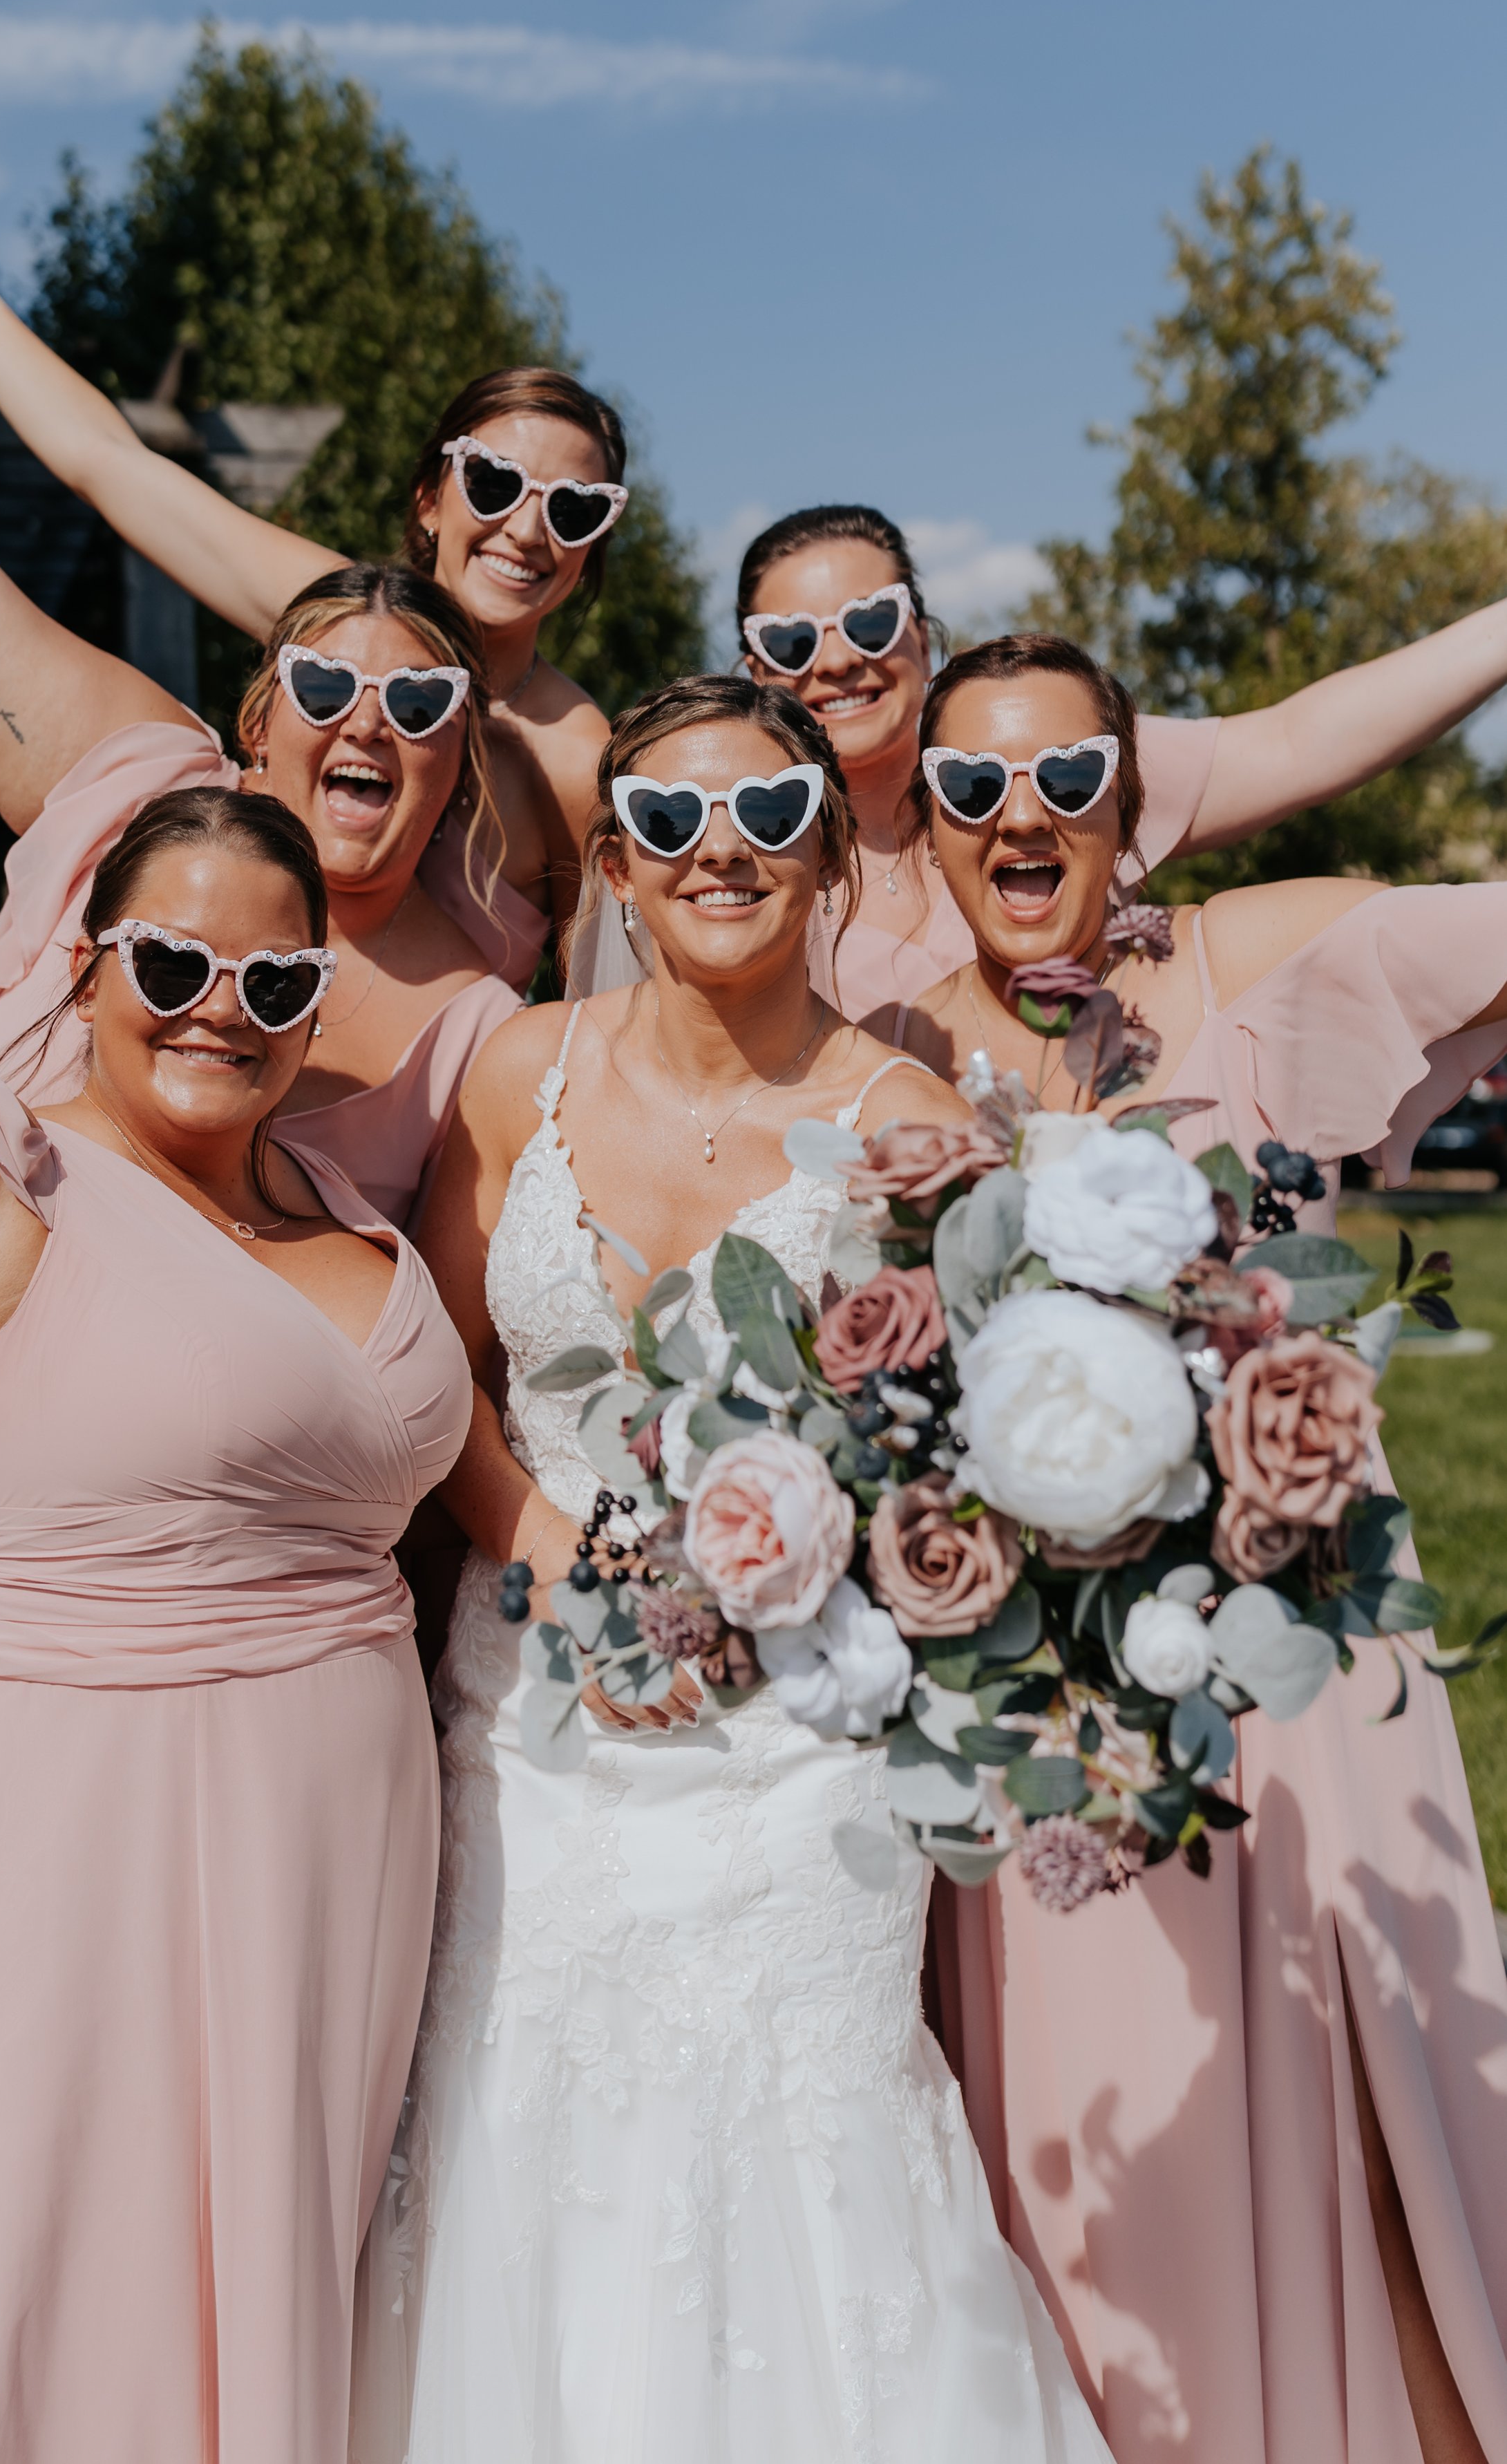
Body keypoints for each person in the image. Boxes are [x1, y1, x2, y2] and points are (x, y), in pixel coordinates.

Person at [0, 297, 515, 2173]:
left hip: (161, 1539)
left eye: (422, 698)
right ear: (256, 714)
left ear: (456, 762)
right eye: (324, 680)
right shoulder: (119, 766)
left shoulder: (471, 1019)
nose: (369, 716)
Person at [350, 674, 1115, 2463]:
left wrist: (804, 1577)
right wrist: (540, 1543)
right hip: (530, 1729)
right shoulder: (519, 1065)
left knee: (813, 2145)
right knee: (525, 2139)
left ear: (831, 852)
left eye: (768, 814)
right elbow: (438, 1372)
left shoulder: (918, 1121)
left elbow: (963, 1459)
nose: (723, 850)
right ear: (615, 858)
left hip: (796, 1761)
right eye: (673, 818)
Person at [0, 784, 471, 2461]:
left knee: (269, 2280)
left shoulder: (340, 1189)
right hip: (79, 1865)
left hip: (331, 1894)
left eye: (274, 978)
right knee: (58, 2272)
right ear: (82, 972)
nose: (219, 1005)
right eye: (169, 961)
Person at [902, 632, 1507, 2464]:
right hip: (1046, 1716)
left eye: (1068, 776)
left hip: (1299, 1686)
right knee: (1103, 2172)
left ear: (1128, 808)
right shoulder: (884, 1058)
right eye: (973, 783)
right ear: (924, 826)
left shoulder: (1249, 979)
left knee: (1369, 2140)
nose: (1023, 810)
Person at [0, 216, 635, 974]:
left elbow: (622, 1016)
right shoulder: (329, 619)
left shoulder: (574, 763)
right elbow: (109, 464)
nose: (529, 531)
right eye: (494, 484)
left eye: (574, 508)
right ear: (431, 497)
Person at [734, 505, 1507, 1028]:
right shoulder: (732, 862)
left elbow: (1295, 743)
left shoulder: (1070, 767)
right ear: (753, 671)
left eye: (871, 624)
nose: (836, 660)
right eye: (792, 642)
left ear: (923, 639)